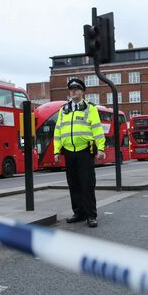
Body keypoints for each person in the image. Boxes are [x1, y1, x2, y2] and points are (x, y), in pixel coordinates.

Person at [53, 78, 105, 228]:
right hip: (69, 152)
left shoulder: (90, 108)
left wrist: (100, 148)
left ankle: (91, 215)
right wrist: (56, 150)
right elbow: (58, 131)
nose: (73, 91)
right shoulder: (63, 110)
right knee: (73, 184)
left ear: (82, 91)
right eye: (71, 89)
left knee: (87, 184)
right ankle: (79, 213)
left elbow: (97, 129)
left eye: (76, 88)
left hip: (85, 151)